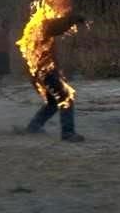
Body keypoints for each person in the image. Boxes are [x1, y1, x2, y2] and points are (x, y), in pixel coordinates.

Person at [14, 13, 86, 142]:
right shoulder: (41, 27)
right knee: (66, 97)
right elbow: (57, 27)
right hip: (45, 71)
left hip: (38, 72)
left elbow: (56, 27)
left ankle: (33, 127)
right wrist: (73, 18)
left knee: (52, 102)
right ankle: (68, 133)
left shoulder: (33, 31)